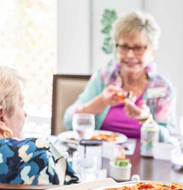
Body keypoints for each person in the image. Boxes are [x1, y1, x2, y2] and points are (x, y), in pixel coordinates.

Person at [64, 11, 176, 139]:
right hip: (100, 155)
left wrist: (146, 119)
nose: (129, 55)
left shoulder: (162, 88)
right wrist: (100, 102)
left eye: (138, 48)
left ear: (152, 52)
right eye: (124, 47)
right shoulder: (103, 78)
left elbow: (170, 140)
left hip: (144, 158)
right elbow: (68, 121)